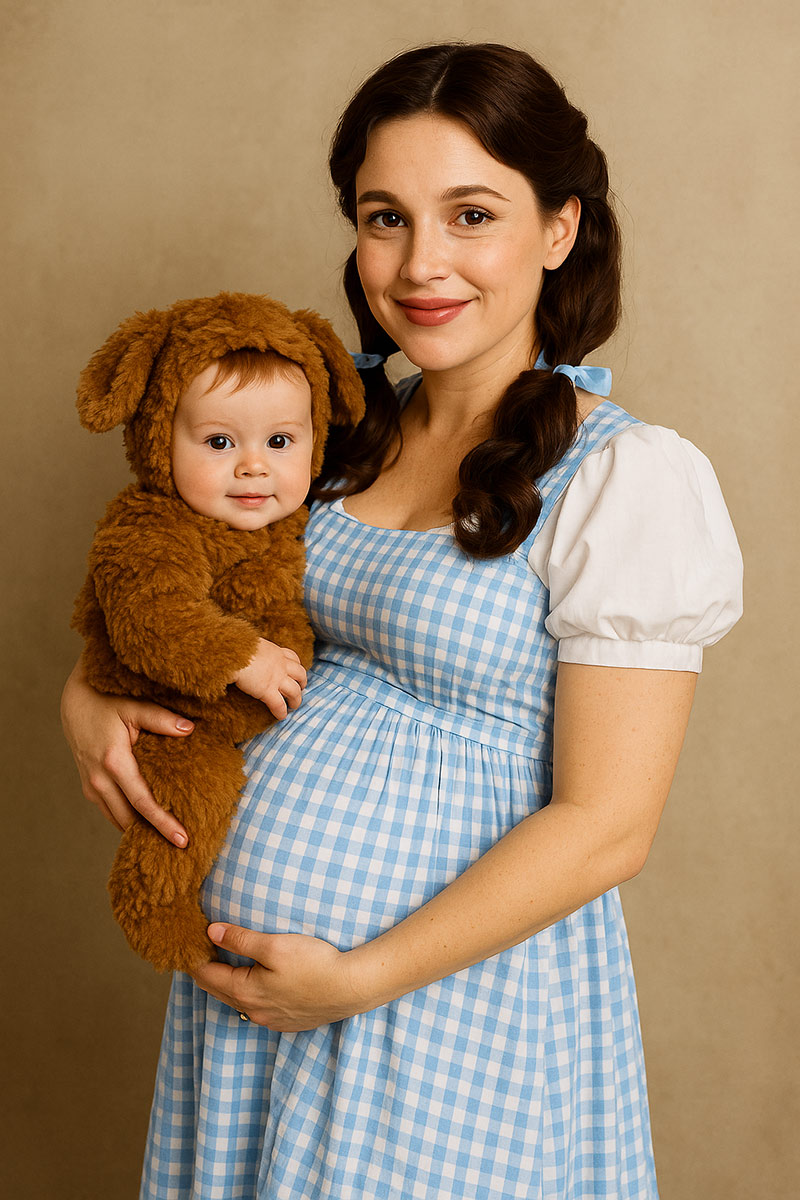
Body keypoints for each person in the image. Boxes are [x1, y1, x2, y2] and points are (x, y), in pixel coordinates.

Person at [61, 42, 743, 1200]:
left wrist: (360, 977)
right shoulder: (325, 431)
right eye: (385, 218)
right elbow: (174, 580)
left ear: (559, 229)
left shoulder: (625, 479)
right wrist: (85, 697)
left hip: (437, 1008)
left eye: (470, 214)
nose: (420, 263)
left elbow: (605, 826)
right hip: (257, 1011)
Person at [71, 293, 363, 973]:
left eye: (280, 442)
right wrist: (243, 657)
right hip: (179, 716)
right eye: (219, 442)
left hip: (229, 719)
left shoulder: (292, 513)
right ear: (157, 437)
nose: (253, 466)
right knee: (187, 805)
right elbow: (150, 619)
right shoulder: (150, 528)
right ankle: (152, 903)